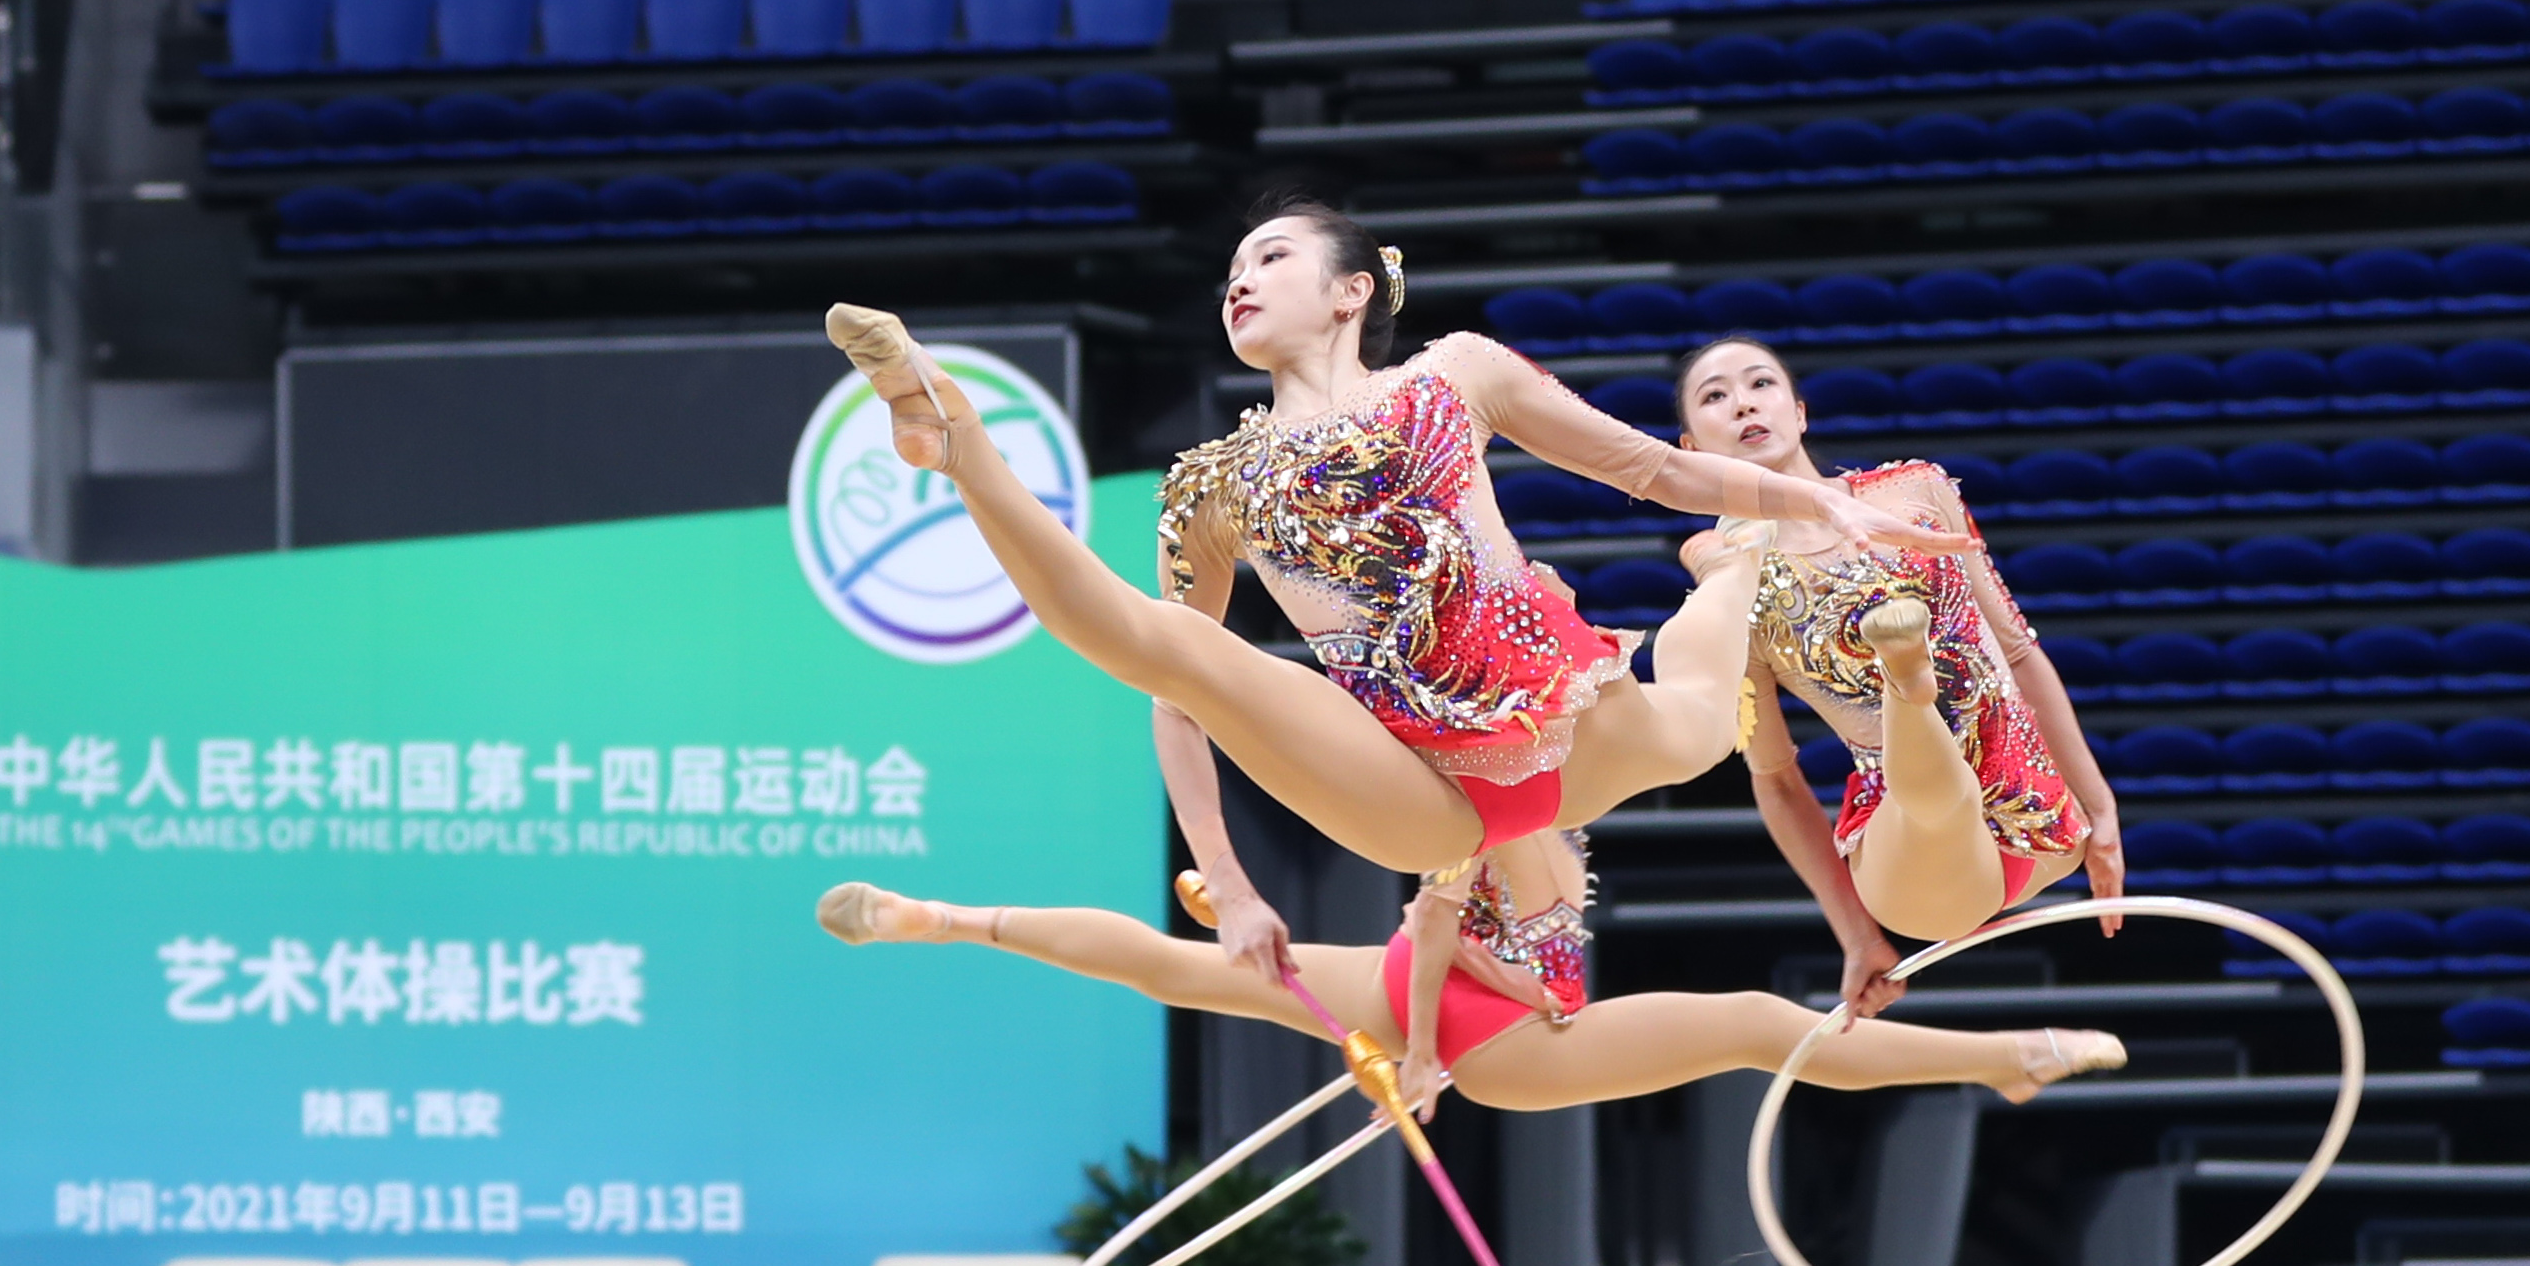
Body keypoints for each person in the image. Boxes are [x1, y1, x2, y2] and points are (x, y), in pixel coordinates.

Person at [823, 199, 1965, 924]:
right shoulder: (1209, 485)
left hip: (1571, 721)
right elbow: (1176, 707)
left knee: (1706, 685)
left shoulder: (1452, 373)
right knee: (1175, 651)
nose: (1239, 277)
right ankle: (955, 440)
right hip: (1411, 787)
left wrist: (1815, 502)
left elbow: (1649, 470)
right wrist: (1223, 878)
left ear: (1350, 289)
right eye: (1229, 267)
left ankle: (1737, 567)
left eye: (1267, 255)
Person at [816, 854, 2120, 1128]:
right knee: (1751, 1023)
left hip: (1434, 998)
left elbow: (1457, 927)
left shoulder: (1541, 778)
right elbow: (1434, 910)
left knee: (1179, 965)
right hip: (1473, 1026)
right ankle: (1993, 1053)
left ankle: (956, 914)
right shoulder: (1503, 775)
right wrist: (1430, 1053)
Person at [1674, 338, 2123, 1008]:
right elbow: (1773, 776)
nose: (1741, 401)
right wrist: (1856, 935)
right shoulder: (1731, 587)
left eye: (1759, 383)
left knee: (1957, 777)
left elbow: (2020, 653)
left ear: (1798, 413)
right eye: (1714, 395)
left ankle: (1906, 678)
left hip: (2034, 818)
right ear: (1687, 450)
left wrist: (2100, 807)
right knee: (1937, 800)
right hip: (1915, 861)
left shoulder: (1917, 491)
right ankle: (1905, 681)